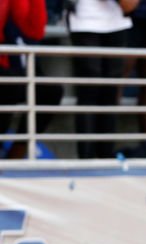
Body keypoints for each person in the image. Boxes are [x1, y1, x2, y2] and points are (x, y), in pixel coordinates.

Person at [66, 0, 138, 159]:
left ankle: (105, 156)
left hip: (117, 21)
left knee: (110, 92)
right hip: (84, 20)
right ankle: (86, 158)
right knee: (89, 89)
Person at [0, 0, 63, 159]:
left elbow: (34, 31)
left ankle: (17, 152)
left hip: (14, 63)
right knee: (10, 84)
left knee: (51, 91)